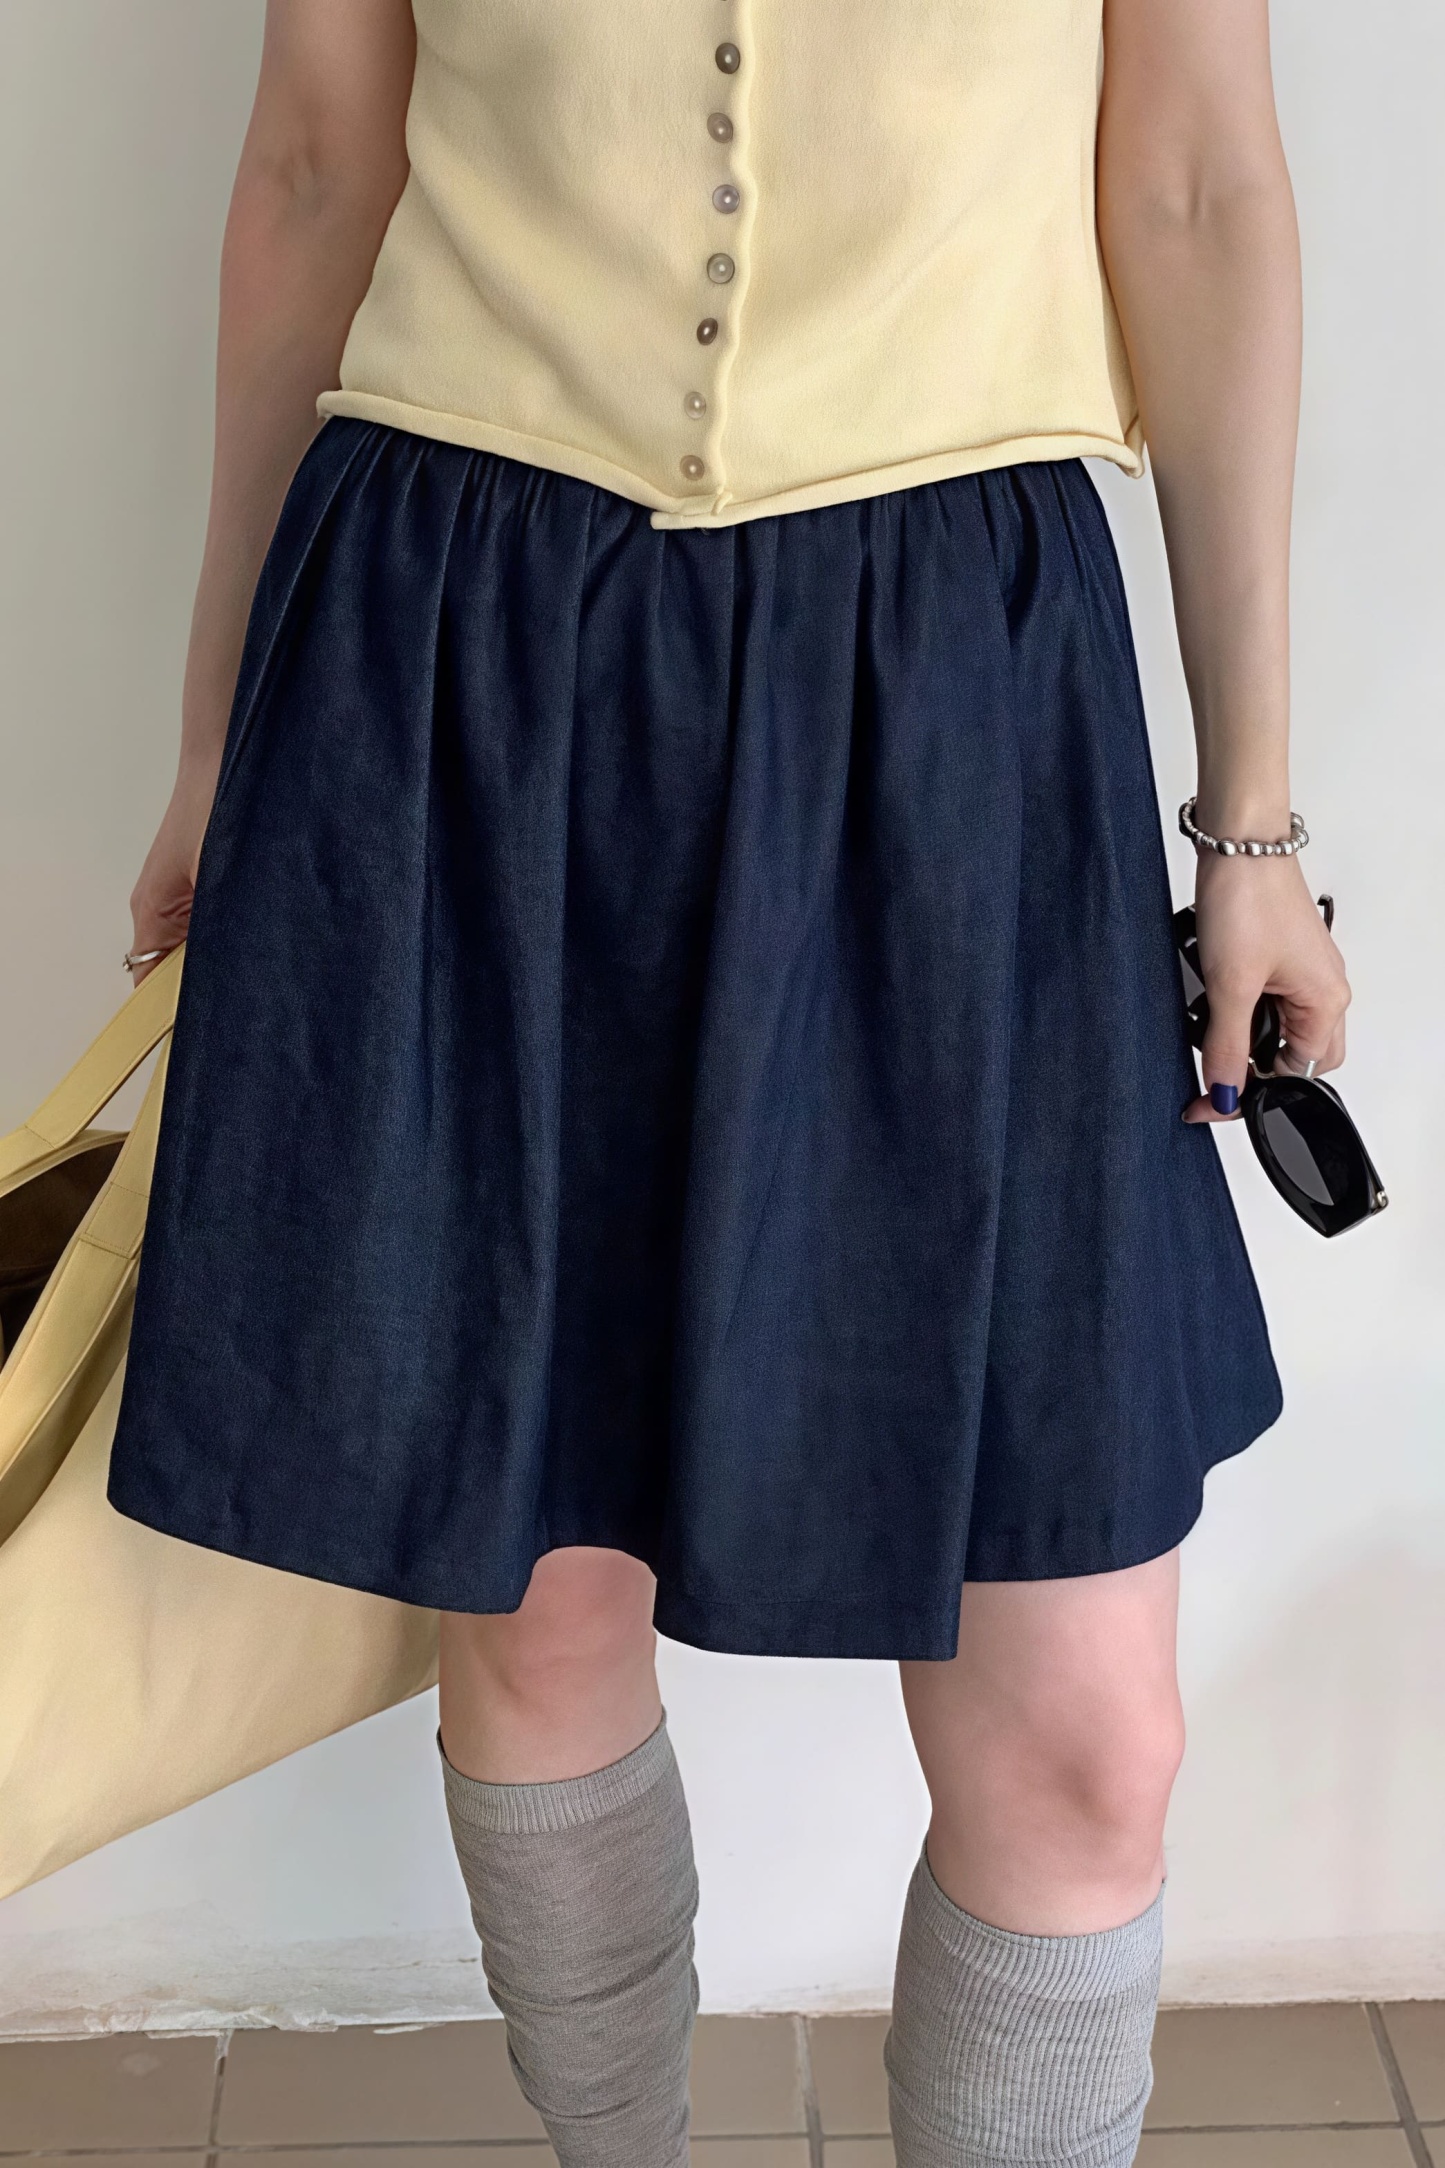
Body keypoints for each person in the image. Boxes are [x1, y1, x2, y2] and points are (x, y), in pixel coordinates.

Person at [108, 1, 1350, 2161]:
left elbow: (1196, 187)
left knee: (1085, 1740)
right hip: (472, 661)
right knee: (542, 1606)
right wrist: (218, 738)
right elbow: (315, 161)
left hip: (958, 693)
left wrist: (1250, 825)